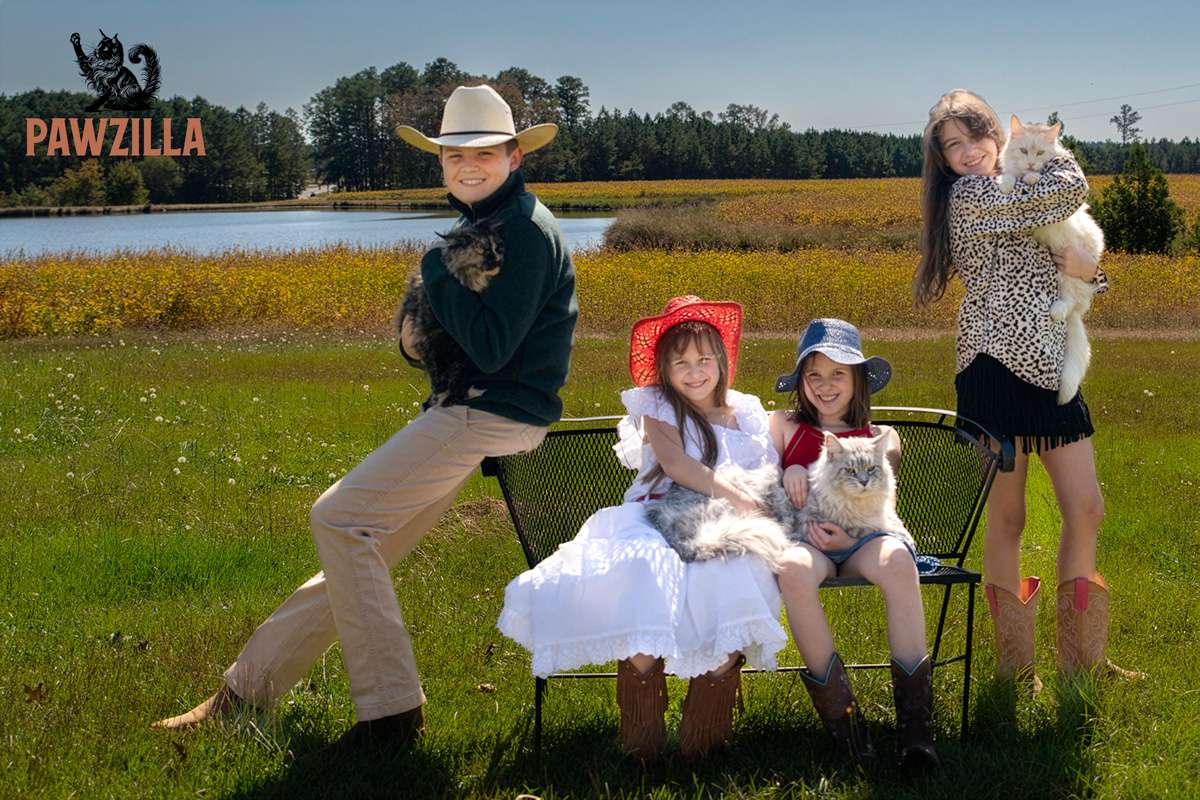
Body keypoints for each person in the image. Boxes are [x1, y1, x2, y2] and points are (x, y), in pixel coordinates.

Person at [154, 84, 580, 754]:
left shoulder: (522, 230)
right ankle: (243, 693)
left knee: (336, 516)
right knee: (361, 549)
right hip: (476, 406)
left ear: (514, 156)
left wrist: (437, 275)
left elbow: (494, 347)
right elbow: (463, 340)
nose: (468, 166)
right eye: (453, 156)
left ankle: (391, 713)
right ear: (441, 164)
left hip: (492, 412)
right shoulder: (492, 226)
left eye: (485, 154)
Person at [913, 89, 1141, 691]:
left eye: (975, 138)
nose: (966, 154)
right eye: (951, 147)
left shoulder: (1014, 193)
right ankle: (1017, 672)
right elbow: (1065, 195)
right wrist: (1056, 154)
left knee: (1086, 507)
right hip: (993, 368)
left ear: (997, 135)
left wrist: (1097, 275)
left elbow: (1066, 252)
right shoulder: (974, 196)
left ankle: (1082, 664)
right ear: (942, 161)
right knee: (1008, 519)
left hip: (1052, 361)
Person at [497, 296, 788, 761]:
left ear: (722, 360)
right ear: (665, 370)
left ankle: (703, 744)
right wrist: (736, 495)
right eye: (681, 364)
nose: (694, 372)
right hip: (657, 515)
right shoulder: (657, 408)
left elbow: (771, 466)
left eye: (704, 360)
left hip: (727, 524)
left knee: (733, 575)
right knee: (642, 570)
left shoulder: (747, 411)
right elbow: (675, 464)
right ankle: (641, 744)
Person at [768, 318, 938, 768]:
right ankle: (848, 731)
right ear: (801, 381)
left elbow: (881, 491)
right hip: (809, 540)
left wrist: (854, 533)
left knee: (899, 563)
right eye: (814, 375)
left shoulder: (881, 437)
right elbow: (759, 480)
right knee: (792, 571)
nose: (825, 386)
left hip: (863, 538)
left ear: (858, 379)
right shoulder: (783, 427)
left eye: (838, 374)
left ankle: (916, 733)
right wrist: (788, 469)